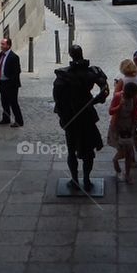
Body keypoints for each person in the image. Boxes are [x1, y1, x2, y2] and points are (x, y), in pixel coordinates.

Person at [52, 43, 109, 191]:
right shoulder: (92, 73)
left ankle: (75, 180)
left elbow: (58, 99)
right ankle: (87, 180)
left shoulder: (64, 76)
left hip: (71, 115)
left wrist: (62, 115)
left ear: (71, 55)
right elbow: (104, 91)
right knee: (88, 150)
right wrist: (94, 101)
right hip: (87, 115)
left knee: (72, 149)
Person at [108, 79, 137, 182]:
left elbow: (135, 112)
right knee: (122, 152)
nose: (132, 97)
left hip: (128, 127)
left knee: (129, 153)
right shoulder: (118, 97)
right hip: (117, 127)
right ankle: (115, 160)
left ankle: (127, 174)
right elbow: (110, 111)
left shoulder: (134, 98)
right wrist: (119, 106)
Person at [0, 35, 23, 127]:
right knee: (4, 102)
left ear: (8, 46)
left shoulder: (14, 57)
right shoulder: (1, 54)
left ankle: (19, 121)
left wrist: (10, 83)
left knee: (13, 103)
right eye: (1, 44)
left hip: (11, 84)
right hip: (2, 82)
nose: (1, 46)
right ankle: (6, 118)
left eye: (3, 44)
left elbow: (17, 72)